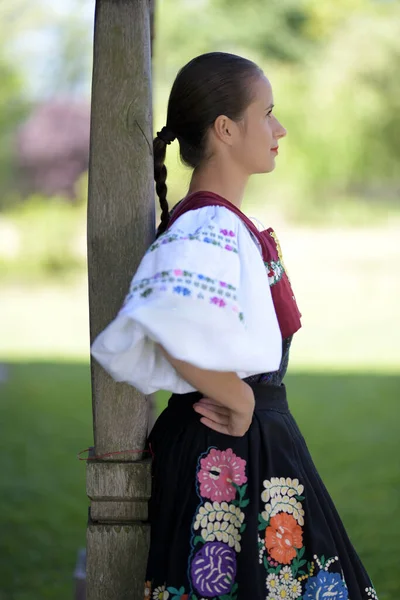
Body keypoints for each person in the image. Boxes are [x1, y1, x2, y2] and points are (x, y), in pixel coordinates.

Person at [91, 52, 378, 600]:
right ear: (225, 129)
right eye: (266, 113)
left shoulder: (218, 220)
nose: (280, 128)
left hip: (240, 444)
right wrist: (236, 398)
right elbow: (162, 317)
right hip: (225, 446)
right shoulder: (209, 221)